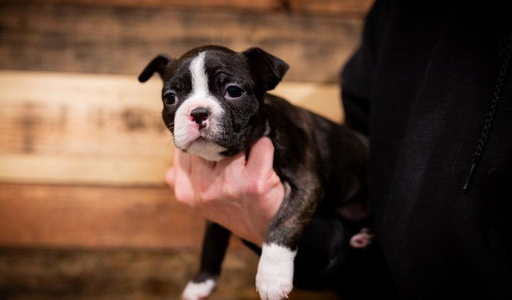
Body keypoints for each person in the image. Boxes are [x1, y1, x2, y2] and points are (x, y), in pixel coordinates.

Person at [166, 0, 512, 299]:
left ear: (264, 81)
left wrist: (277, 251)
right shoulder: (401, 15)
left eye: (231, 91)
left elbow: (308, 184)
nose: (197, 112)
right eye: (173, 97)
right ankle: (206, 273)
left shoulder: (280, 131)